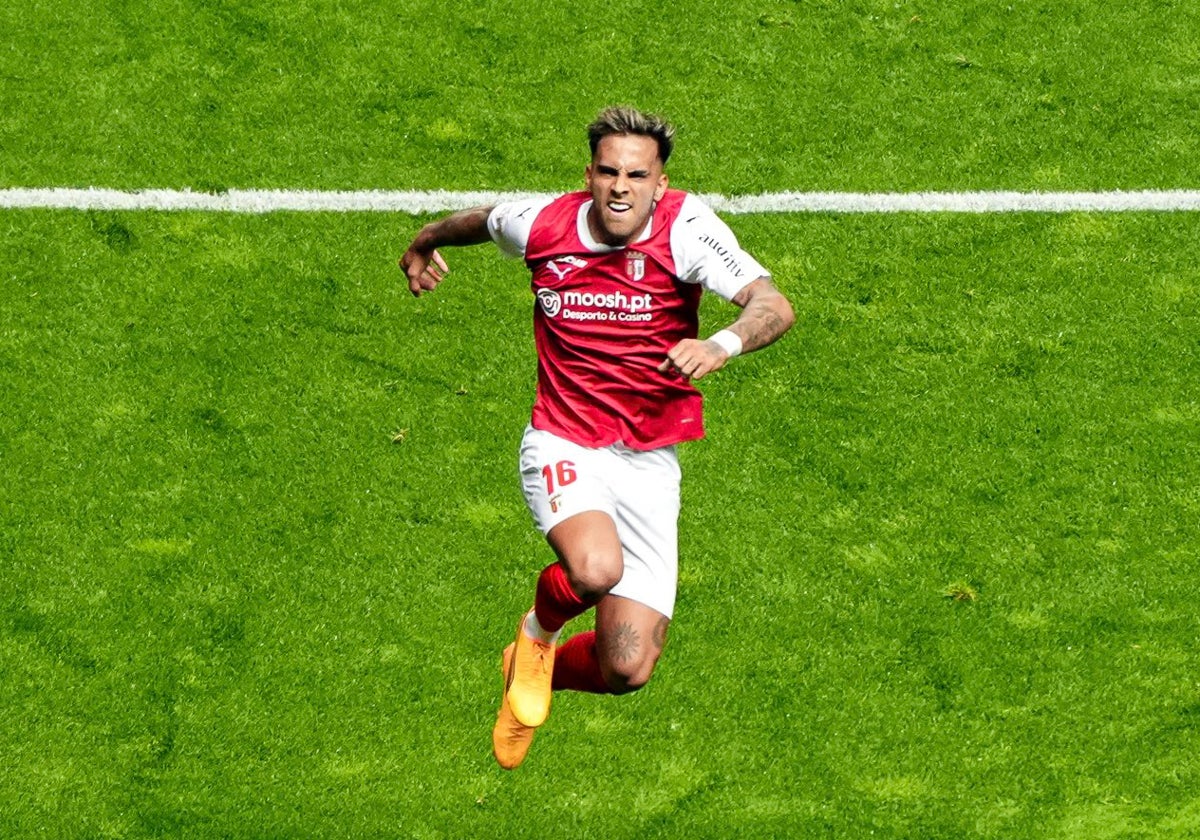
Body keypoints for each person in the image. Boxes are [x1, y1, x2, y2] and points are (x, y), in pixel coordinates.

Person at [399, 105, 795, 769]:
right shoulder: (543, 223)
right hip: (564, 442)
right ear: (589, 176)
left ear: (659, 184)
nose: (620, 186)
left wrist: (720, 344)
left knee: (627, 667)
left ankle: (533, 670)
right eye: (608, 171)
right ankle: (537, 633)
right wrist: (425, 240)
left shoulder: (687, 229)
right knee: (593, 569)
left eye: (636, 175)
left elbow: (772, 305)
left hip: (647, 462)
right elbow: (481, 220)